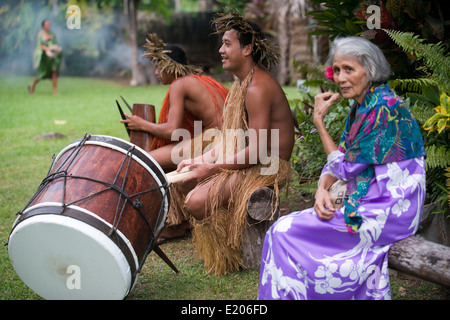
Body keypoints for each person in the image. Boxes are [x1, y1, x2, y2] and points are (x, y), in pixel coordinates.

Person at [258, 36, 427, 300]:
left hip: (388, 211)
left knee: (282, 232)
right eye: (336, 70)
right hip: (365, 193)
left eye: (349, 69)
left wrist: (318, 121)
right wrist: (321, 191)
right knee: (284, 231)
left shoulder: (384, 108)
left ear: (369, 70)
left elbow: (345, 167)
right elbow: (338, 163)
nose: (340, 77)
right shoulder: (362, 106)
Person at [176, 11, 294, 275]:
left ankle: (230, 252)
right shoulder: (242, 85)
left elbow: (259, 150)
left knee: (196, 202)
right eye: (222, 44)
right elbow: (233, 140)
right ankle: (229, 247)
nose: (221, 50)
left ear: (248, 48)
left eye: (227, 44)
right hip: (254, 158)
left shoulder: (257, 88)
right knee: (186, 179)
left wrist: (212, 170)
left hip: (268, 165)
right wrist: (200, 161)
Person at [121, 33, 229, 243]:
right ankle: (179, 221)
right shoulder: (198, 81)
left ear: (171, 66)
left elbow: (172, 131)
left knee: (148, 160)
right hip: (225, 138)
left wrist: (140, 124)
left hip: (216, 140)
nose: (156, 72)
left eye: (159, 66)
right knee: (167, 158)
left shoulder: (179, 85)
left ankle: (174, 224)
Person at [29, 20, 62, 95]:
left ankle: (54, 91)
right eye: (47, 24)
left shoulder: (52, 34)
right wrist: (47, 49)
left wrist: (56, 49)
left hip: (52, 58)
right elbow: (39, 45)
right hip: (43, 58)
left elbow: (55, 44)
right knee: (41, 74)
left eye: (49, 24)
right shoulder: (40, 35)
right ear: (43, 26)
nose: (48, 26)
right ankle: (32, 86)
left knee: (54, 72)